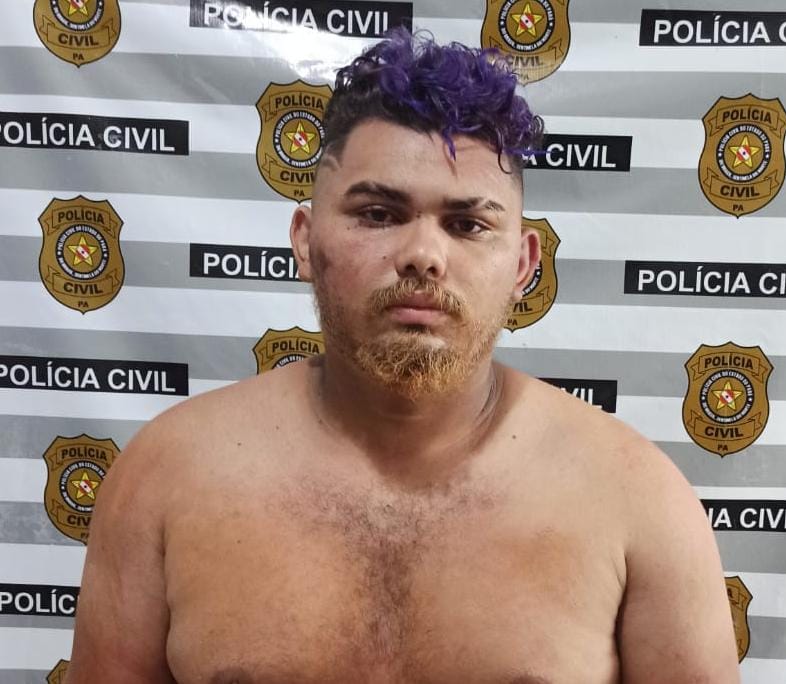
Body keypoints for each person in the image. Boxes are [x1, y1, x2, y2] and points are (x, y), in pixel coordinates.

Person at [67, 29, 740, 684]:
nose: (422, 254)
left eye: (467, 224)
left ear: (522, 264)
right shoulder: (169, 477)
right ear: (304, 241)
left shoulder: (634, 499)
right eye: (378, 214)